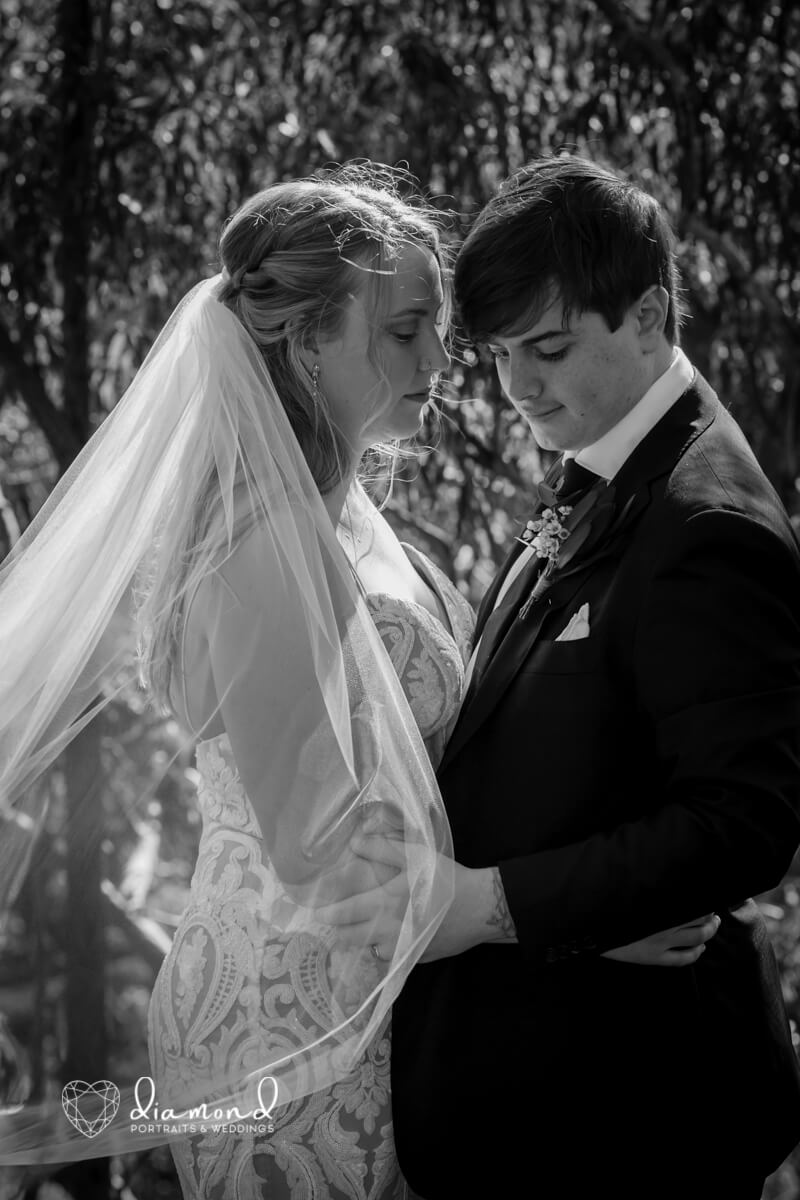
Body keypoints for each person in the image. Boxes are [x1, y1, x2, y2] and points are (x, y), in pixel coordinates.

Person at [0, 162, 731, 1197]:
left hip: (393, 1002)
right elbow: (328, 870)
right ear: (306, 343)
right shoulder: (259, 550)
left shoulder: (350, 519)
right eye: (404, 331)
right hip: (291, 1022)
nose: (441, 359)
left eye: (438, 330)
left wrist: (569, 895)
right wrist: (589, 929)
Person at [382, 155, 800, 1199]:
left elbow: (745, 820)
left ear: (648, 316)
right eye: (499, 355)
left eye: (549, 348)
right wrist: (595, 921)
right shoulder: (611, 455)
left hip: (638, 1110)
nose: (517, 388)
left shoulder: (705, 523)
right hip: (557, 1078)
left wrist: (495, 903)